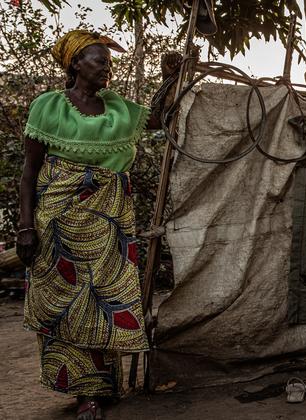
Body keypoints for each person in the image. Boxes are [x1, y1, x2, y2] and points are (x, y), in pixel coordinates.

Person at [16, 30, 177, 420]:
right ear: (74, 64)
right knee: (69, 307)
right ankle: (83, 394)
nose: (107, 66)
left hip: (110, 224)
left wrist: (171, 78)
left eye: (108, 60)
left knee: (107, 303)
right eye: (98, 59)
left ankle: (105, 387)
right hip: (59, 224)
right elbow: (29, 170)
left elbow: (158, 119)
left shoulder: (117, 107)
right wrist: (25, 226)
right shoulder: (48, 106)